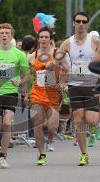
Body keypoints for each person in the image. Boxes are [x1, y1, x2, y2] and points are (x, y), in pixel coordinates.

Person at [0, 22, 30, 169]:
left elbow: (27, 76)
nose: (4, 35)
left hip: (11, 93)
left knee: (7, 122)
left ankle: (3, 156)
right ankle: (2, 144)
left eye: (7, 33)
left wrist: (20, 80)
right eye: (2, 33)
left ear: (11, 36)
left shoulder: (18, 54)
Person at [57, 11, 100, 166]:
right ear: (74, 23)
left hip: (92, 84)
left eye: (84, 21)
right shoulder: (68, 42)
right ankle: (83, 154)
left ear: (87, 24)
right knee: (78, 120)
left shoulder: (94, 41)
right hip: (75, 85)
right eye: (78, 21)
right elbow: (58, 56)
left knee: (91, 120)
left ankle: (97, 126)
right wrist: (61, 62)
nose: (81, 24)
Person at [28, 27, 69, 165]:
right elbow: (29, 73)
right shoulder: (31, 56)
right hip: (37, 93)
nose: (44, 39)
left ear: (50, 39)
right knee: (37, 123)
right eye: (42, 37)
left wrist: (62, 83)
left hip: (53, 94)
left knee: (52, 126)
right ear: (38, 39)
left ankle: (50, 139)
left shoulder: (58, 54)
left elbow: (67, 69)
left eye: (46, 37)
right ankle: (41, 154)